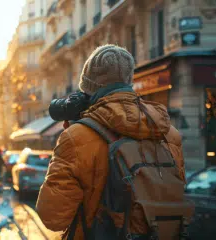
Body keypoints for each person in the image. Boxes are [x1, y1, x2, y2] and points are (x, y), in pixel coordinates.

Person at [36, 45, 187, 239]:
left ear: (88, 89)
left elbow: (53, 216)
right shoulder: (168, 133)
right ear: (128, 81)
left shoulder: (77, 137)